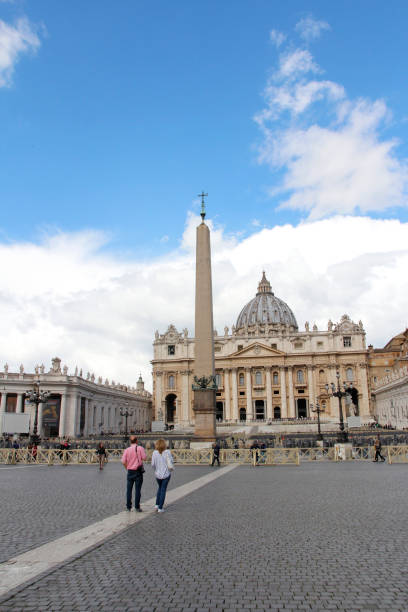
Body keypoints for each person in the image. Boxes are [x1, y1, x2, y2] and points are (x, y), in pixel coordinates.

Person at [121, 436, 147, 512]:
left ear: (130, 441)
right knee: (138, 490)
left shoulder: (127, 450)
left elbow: (123, 461)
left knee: (129, 490)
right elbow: (144, 458)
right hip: (138, 471)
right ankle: (137, 507)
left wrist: (127, 468)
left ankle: (128, 507)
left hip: (130, 471)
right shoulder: (140, 448)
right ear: (137, 441)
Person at [151, 439, 174, 513]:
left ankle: (157, 505)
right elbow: (171, 462)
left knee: (160, 488)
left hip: (157, 475)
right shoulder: (167, 452)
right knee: (163, 490)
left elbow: (153, 464)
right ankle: (160, 508)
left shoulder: (154, 453)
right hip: (166, 474)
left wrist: (156, 470)